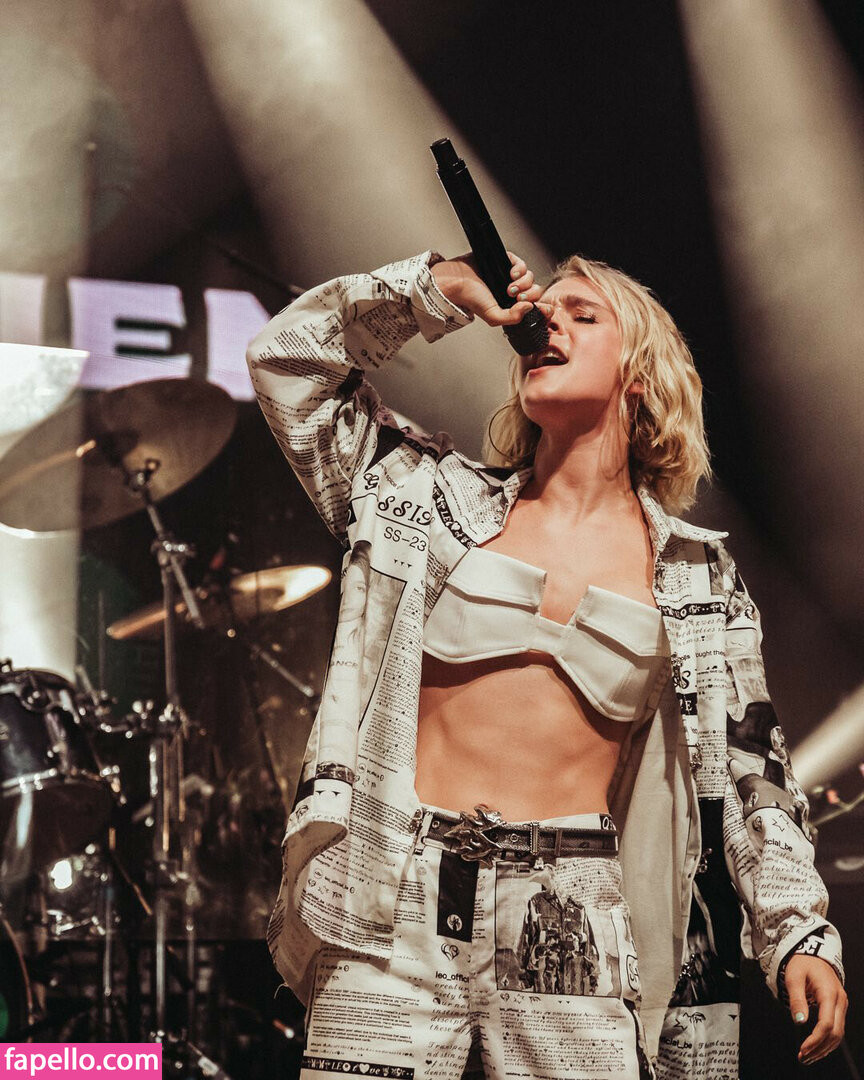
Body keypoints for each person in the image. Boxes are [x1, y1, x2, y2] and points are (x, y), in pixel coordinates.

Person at [247, 248, 846, 1079]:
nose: (543, 322)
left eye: (581, 314)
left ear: (640, 376)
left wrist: (798, 930)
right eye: (541, 311)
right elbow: (285, 363)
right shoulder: (421, 497)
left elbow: (753, 774)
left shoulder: (698, 577)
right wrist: (434, 289)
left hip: (571, 912)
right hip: (396, 895)